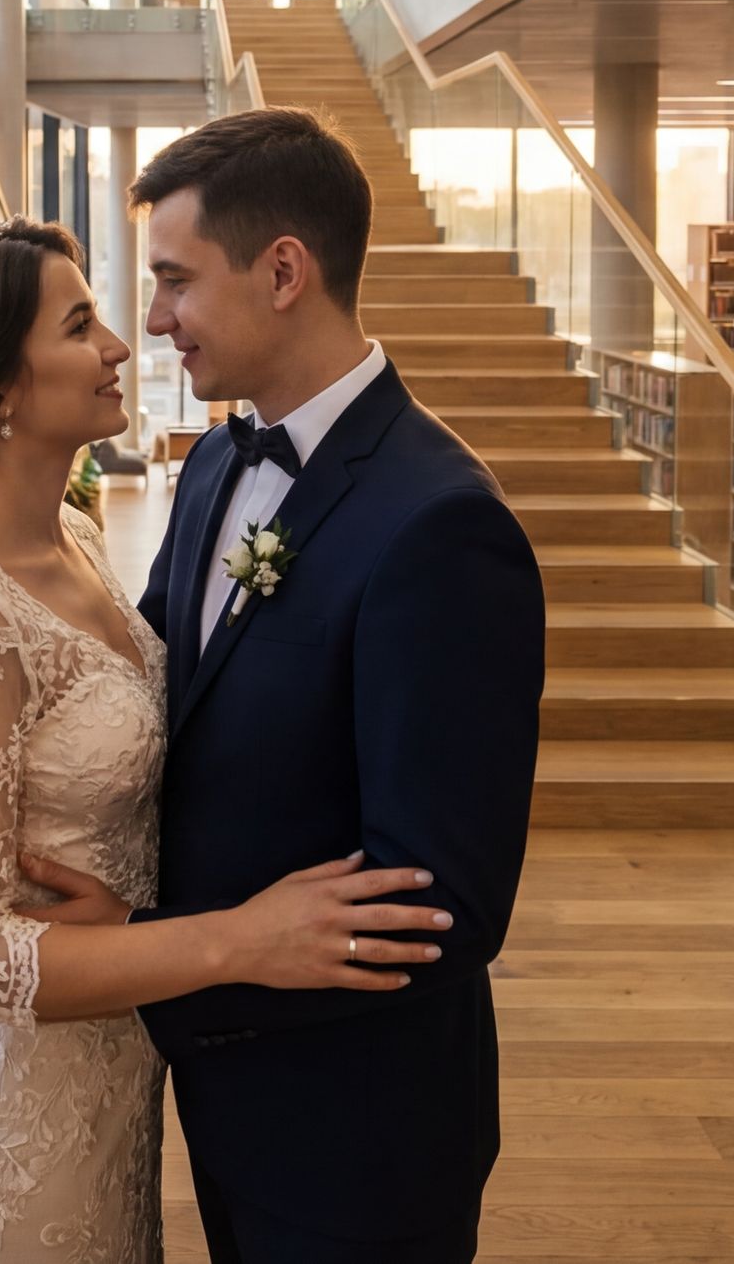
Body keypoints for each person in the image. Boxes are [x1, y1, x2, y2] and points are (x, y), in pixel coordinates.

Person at [0, 214, 456, 1263]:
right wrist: (237, 938)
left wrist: (146, 921)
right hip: (10, 1108)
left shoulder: (78, 540)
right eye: (81, 324)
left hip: (114, 1064)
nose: (121, 344)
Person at [84, 106, 549, 1261]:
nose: (153, 320)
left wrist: (179, 965)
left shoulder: (440, 526)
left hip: (361, 1134)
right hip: (226, 1103)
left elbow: (438, 906)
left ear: (283, 269)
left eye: (174, 280)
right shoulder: (210, 470)